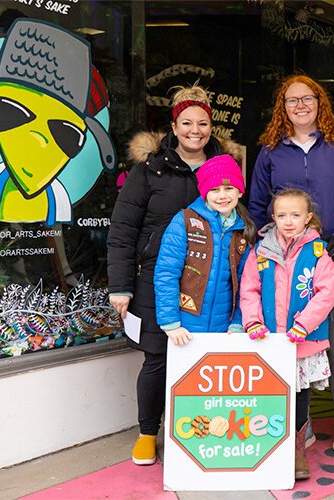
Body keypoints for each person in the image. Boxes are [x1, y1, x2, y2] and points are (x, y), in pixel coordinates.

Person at [107, 85, 241, 466]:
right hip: (156, 278)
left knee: (207, 360)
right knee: (158, 358)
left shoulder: (224, 168)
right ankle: (148, 433)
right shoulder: (149, 170)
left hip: (213, 279)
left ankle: (197, 430)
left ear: (211, 126)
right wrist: (120, 286)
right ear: (174, 125)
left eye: (202, 123)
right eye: (186, 122)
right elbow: (123, 229)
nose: (194, 130)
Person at [249, 74, 334, 466]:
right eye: (292, 100)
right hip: (282, 266)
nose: (300, 105)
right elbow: (256, 206)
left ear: (320, 102)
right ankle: (291, 428)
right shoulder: (271, 151)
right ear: (282, 108)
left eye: (307, 98)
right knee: (284, 343)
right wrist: (270, 248)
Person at [240, 188, 334, 479]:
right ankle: (267, 444)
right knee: (268, 392)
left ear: (308, 217)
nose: (288, 221)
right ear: (273, 217)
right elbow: (249, 289)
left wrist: (303, 324)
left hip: (302, 340)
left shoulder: (318, 251)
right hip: (269, 339)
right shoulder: (260, 251)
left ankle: (296, 448)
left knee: (299, 396)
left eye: (295, 215)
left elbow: (327, 292)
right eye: (281, 215)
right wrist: (253, 322)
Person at [154, 154, 253, 344]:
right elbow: (166, 273)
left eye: (229, 188)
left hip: (225, 329)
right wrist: (170, 322)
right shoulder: (184, 221)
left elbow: (246, 283)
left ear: (240, 192)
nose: (222, 195)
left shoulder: (243, 230)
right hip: (184, 326)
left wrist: (238, 322)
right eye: (214, 189)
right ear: (204, 193)